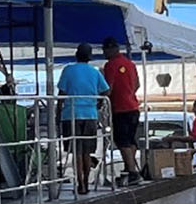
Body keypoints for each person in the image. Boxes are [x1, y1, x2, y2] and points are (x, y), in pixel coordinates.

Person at [57, 43, 109, 195]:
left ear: (76, 55)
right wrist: (97, 103)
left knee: (76, 152)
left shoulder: (68, 70)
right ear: (90, 57)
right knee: (86, 152)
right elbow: (105, 90)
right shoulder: (94, 72)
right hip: (90, 114)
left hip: (71, 114)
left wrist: (57, 113)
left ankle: (79, 183)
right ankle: (86, 182)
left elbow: (61, 94)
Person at [102, 37, 142, 186]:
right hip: (133, 107)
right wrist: (128, 92)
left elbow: (108, 88)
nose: (104, 53)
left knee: (121, 140)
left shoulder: (110, 65)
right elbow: (137, 84)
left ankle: (132, 172)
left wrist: (100, 100)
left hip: (120, 108)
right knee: (131, 139)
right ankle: (129, 169)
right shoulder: (130, 64)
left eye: (105, 50)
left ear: (110, 49)